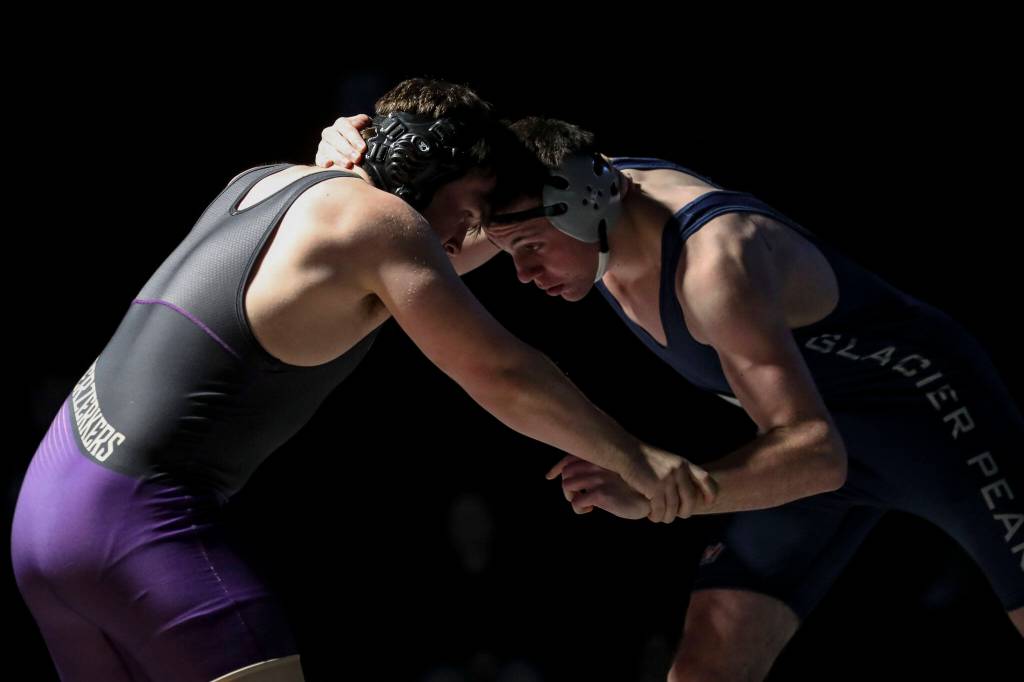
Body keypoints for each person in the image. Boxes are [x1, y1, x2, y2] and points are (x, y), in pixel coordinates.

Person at [11, 82, 711, 682]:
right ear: (425, 172)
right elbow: (504, 372)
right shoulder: (383, 225)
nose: (470, 231)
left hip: (48, 504)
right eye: (470, 208)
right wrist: (637, 458)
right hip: (138, 523)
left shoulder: (271, 180)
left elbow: (446, 252)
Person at [319, 112, 1024, 681]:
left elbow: (819, 455)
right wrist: (350, 165)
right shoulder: (569, 198)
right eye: (508, 252)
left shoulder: (714, 264)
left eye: (529, 247)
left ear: (589, 199)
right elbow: (409, 249)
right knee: (707, 664)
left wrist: (659, 489)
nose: (523, 274)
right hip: (802, 443)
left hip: (935, 424)